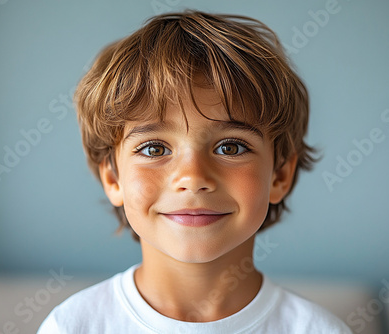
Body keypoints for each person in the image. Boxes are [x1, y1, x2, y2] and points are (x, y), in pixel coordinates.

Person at [37, 9, 353, 333]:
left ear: (280, 175)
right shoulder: (72, 326)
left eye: (230, 147)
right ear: (113, 178)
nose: (192, 177)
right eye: (154, 149)